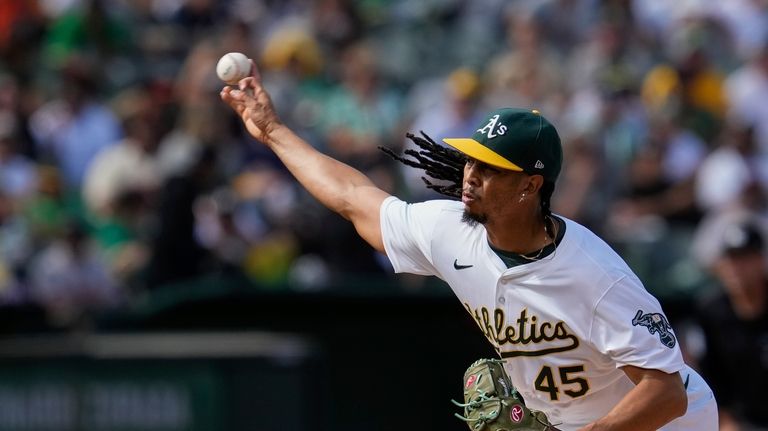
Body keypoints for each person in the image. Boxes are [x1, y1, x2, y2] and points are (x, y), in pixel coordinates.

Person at [220, 61, 718, 431]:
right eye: (470, 162)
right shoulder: (450, 231)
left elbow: (665, 392)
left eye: (489, 168)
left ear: (530, 186)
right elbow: (353, 198)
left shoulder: (595, 275)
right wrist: (274, 131)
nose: (470, 176)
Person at [692, 219, 768, 430]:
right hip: (742, 420)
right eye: (731, 260)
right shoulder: (712, 312)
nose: (737, 268)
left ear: (760, 261)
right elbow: (710, 374)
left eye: (745, 259)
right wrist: (725, 420)